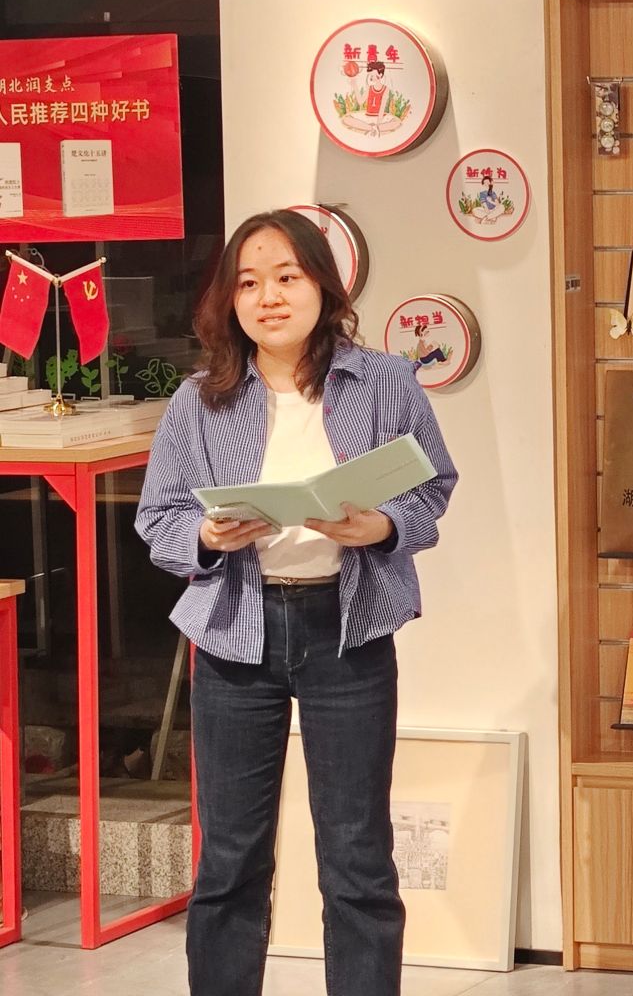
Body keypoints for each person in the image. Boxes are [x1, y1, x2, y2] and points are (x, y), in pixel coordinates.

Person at [137, 210, 457, 996]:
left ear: (322, 285)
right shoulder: (199, 400)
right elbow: (158, 518)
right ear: (229, 300)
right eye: (249, 283)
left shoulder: (384, 382)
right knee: (230, 859)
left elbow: (432, 487)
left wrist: (379, 525)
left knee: (357, 856)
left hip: (348, 630)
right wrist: (207, 535)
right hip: (233, 634)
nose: (269, 297)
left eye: (286, 277)